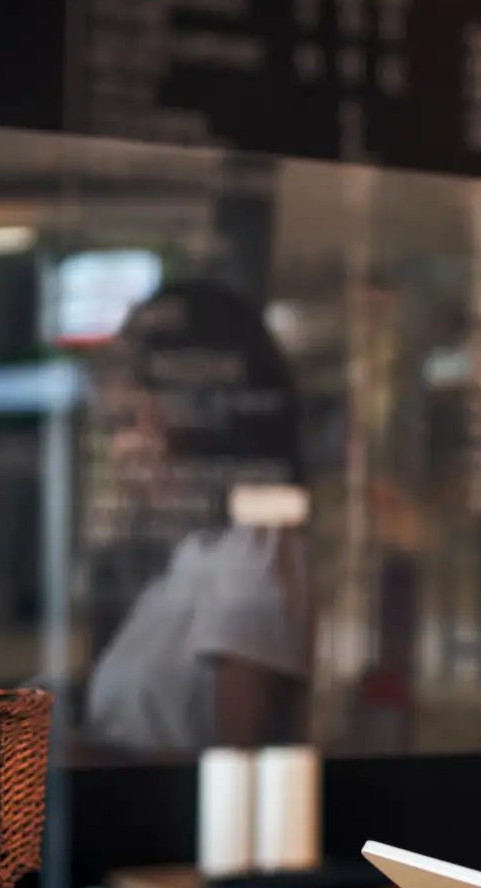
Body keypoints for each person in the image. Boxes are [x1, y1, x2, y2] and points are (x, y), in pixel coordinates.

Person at [80, 280, 313, 753]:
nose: (121, 453)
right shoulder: (198, 553)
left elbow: (238, 774)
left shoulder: (254, 555)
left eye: (128, 423)